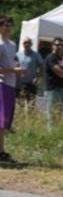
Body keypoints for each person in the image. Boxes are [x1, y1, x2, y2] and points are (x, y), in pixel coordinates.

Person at [0, 14, 27, 164]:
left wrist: (17, 68)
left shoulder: (12, 44)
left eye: (10, 25)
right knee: (0, 119)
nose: (8, 28)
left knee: (4, 122)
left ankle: (2, 151)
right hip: (1, 84)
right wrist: (13, 71)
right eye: (6, 25)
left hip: (10, 84)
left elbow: (11, 62)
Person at [43, 37, 63, 130]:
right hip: (52, 89)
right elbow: (58, 71)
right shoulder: (51, 57)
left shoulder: (61, 58)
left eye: (62, 45)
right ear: (52, 46)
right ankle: (50, 135)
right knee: (51, 115)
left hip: (61, 88)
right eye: (57, 44)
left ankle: (55, 134)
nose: (59, 46)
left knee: (58, 113)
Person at [14, 37, 44, 103]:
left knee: (31, 105)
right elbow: (13, 66)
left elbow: (42, 66)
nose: (27, 44)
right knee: (20, 105)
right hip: (20, 84)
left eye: (28, 43)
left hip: (31, 83)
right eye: (25, 43)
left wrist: (38, 78)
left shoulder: (36, 55)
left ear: (31, 44)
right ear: (22, 44)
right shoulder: (18, 55)